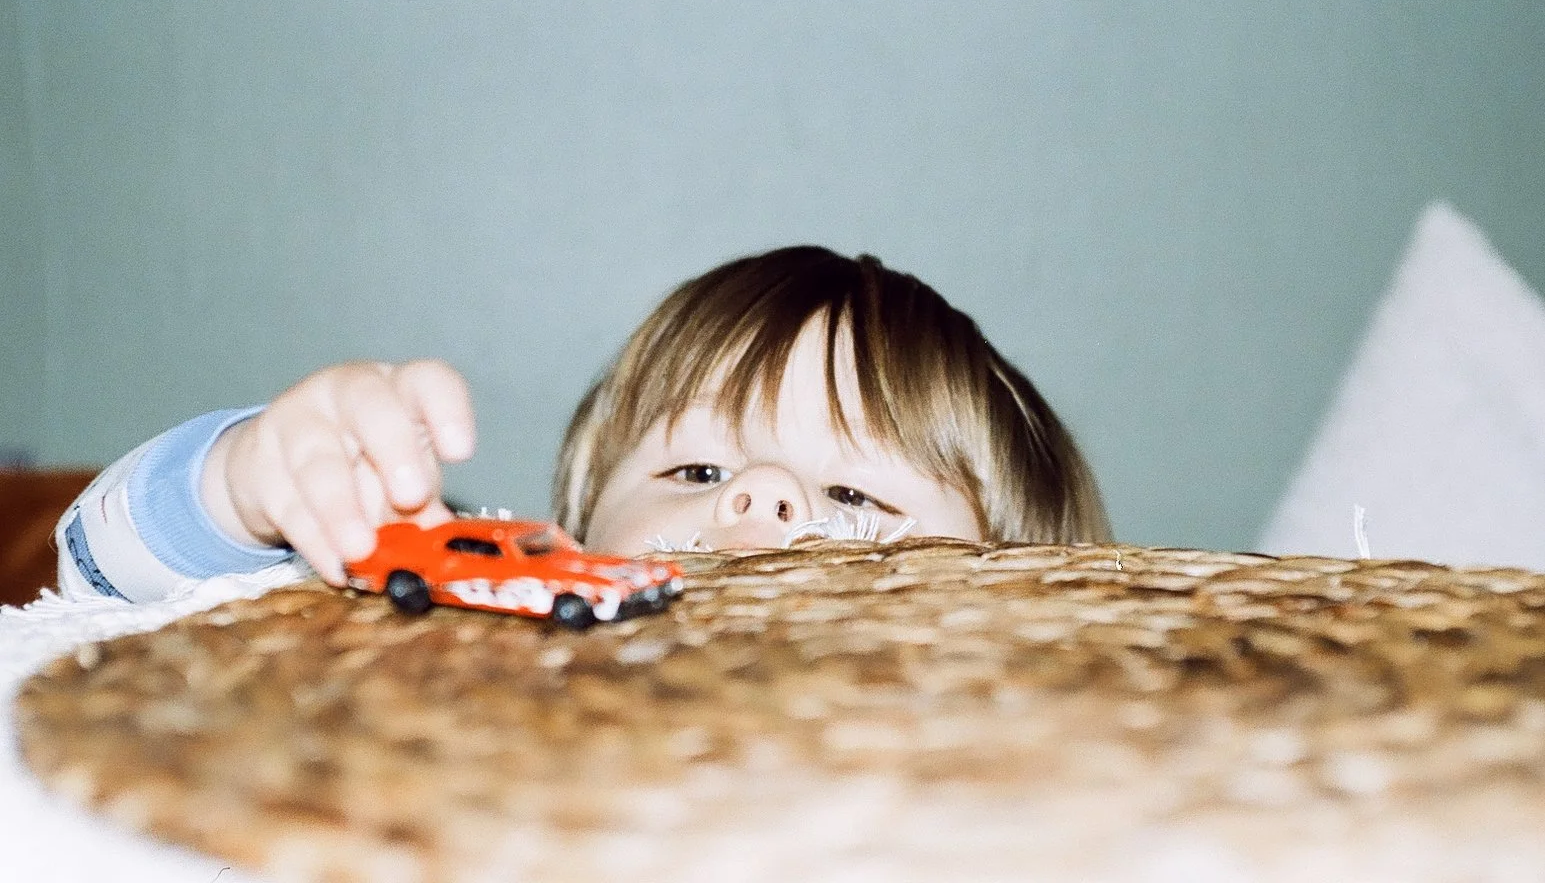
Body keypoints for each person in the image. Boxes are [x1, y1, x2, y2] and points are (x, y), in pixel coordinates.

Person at [55, 246, 1110, 603]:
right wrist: (254, 485)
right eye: (697, 468)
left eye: (853, 496)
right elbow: (95, 576)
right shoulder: (477, 630)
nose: (763, 495)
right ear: (579, 526)